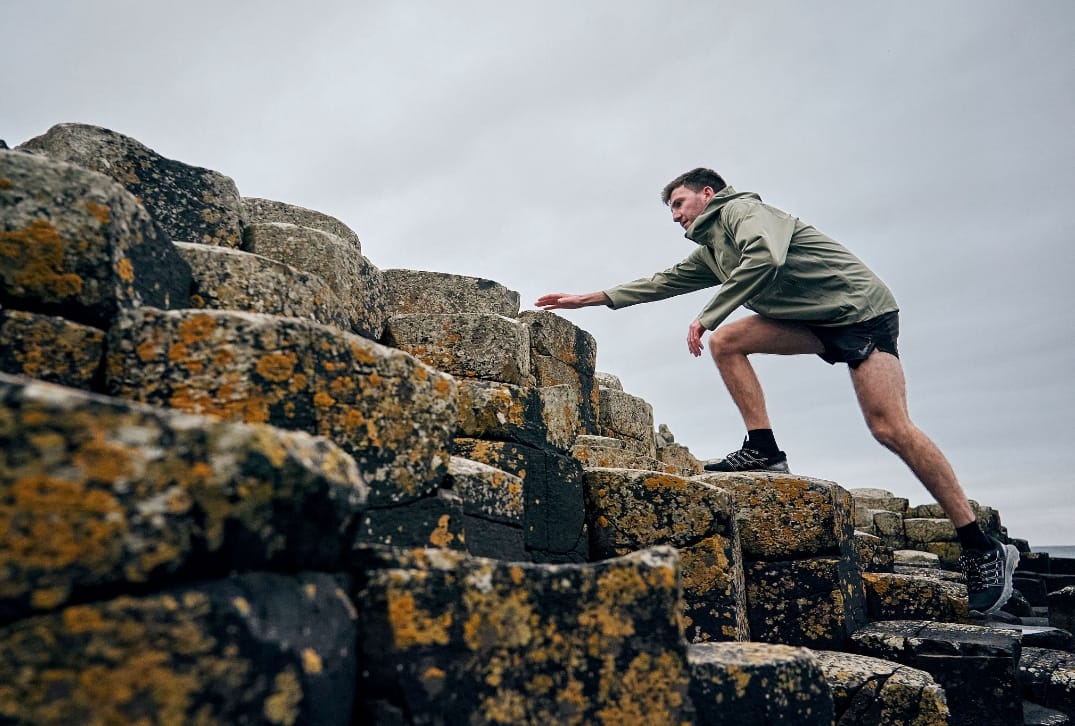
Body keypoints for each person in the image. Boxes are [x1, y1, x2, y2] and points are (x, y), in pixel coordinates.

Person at [535, 167, 1018, 616]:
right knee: (729, 343)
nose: (676, 215)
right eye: (671, 210)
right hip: (814, 321)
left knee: (889, 427)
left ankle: (979, 544)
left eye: (681, 203)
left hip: (860, 311)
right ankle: (764, 450)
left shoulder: (745, 211)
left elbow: (765, 255)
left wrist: (708, 314)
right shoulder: (712, 250)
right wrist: (593, 298)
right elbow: (665, 281)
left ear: (710, 194)